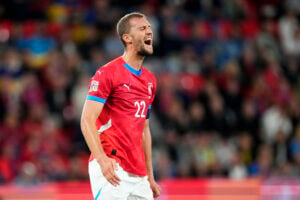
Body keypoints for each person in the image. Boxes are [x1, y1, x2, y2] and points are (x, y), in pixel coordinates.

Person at [80, 12, 162, 200]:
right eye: (142, 28)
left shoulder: (150, 80)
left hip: (139, 173)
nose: (149, 31)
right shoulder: (107, 73)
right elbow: (87, 120)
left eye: (149, 28)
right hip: (112, 164)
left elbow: (144, 130)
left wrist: (150, 175)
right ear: (127, 38)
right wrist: (101, 159)